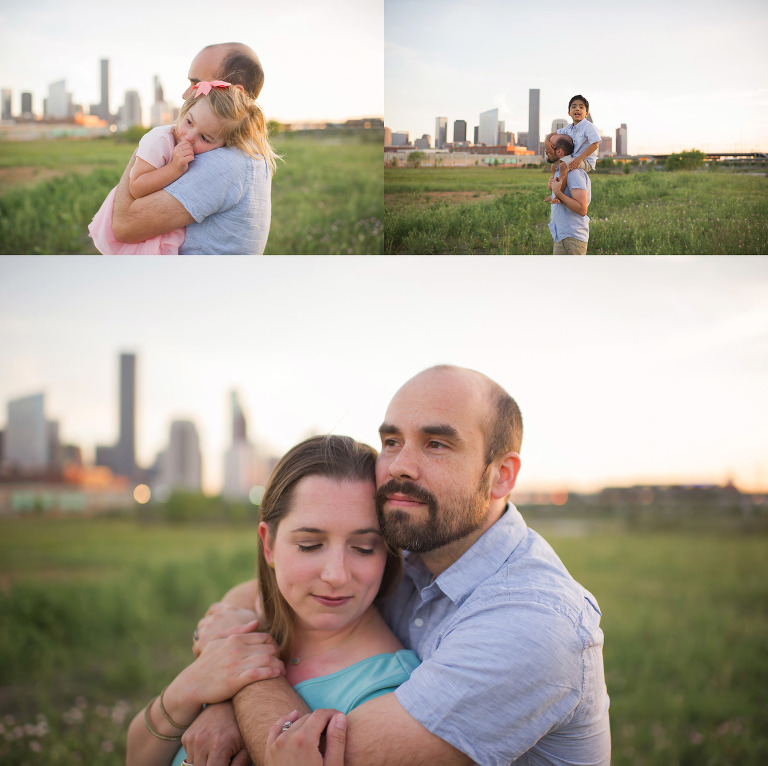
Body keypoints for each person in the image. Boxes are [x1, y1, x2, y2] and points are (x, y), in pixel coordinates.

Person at [193, 366, 611, 766]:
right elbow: (267, 588)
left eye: (436, 444)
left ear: (501, 475)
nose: (399, 466)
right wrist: (223, 681)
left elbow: (312, 757)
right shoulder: (405, 548)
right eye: (392, 441)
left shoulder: (534, 624)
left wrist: (237, 675)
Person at [125, 435, 419, 766]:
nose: (336, 575)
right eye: (309, 545)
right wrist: (202, 691)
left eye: (364, 547)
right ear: (269, 545)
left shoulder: (389, 695)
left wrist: (234, 695)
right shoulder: (246, 620)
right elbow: (136, 756)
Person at [111, 43, 274, 255]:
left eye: (196, 84)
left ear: (234, 91)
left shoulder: (223, 164)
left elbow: (125, 226)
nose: (185, 94)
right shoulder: (244, 153)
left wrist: (146, 147)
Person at [547, 133, 592, 255]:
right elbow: (562, 198)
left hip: (572, 238)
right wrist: (552, 190)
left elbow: (582, 209)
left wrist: (557, 193)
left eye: (550, 147)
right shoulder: (560, 171)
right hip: (561, 236)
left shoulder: (574, 174)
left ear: (559, 151)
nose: (546, 150)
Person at [545, 94, 601, 175]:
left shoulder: (588, 126)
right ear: (569, 113)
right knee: (554, 165)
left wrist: (580, 159)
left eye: (581, 107)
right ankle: (554, 181)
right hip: (572, 157)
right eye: (574, 107)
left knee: (563, 165)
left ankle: (560, 186)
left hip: (585, 160)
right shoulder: (568, 128)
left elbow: (595, 145)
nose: (577, 109)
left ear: (586, 113)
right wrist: (547, 142)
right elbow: (551, 134)